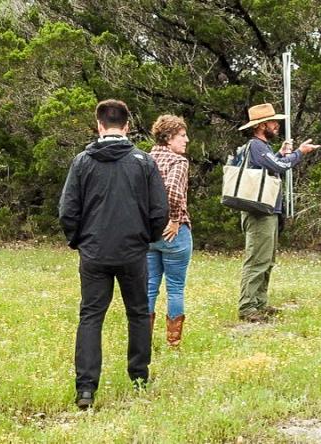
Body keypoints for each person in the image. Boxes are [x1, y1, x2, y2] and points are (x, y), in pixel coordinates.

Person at [59, 99, 169, 410]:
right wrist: (146, 238)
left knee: (91, 316)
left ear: (99, 126)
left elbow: (68, 210)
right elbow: (159, 210)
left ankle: (86, 389)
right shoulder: (143, 162)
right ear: (127, 126)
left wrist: (79, 240)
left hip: (94, 252)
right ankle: (139, 378)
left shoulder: (82, 162)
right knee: (137, 312)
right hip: (132, 250)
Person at [234, 103, 321, 322]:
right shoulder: (256, 146)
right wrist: (299, 153)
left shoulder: (261, 148)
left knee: (267, 259)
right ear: (262, 125)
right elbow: (280, 167)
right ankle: (247, 307)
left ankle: (260, 303)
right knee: (256, 260)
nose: (277, 126)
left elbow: (274, 163)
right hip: (259, 213)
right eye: (273, 122)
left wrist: (280, 153)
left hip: (266, 211)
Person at [147, 114, 192, 347]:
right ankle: (173, 342)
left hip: (148, 232)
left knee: (149, 284)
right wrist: (174, 219)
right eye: (182, 136)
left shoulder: (145, 159)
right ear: (168, 138)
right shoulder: (178, 162)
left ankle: (143, 339)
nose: (186, 140)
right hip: (175, 233)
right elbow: (173, 190)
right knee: (175, 287)